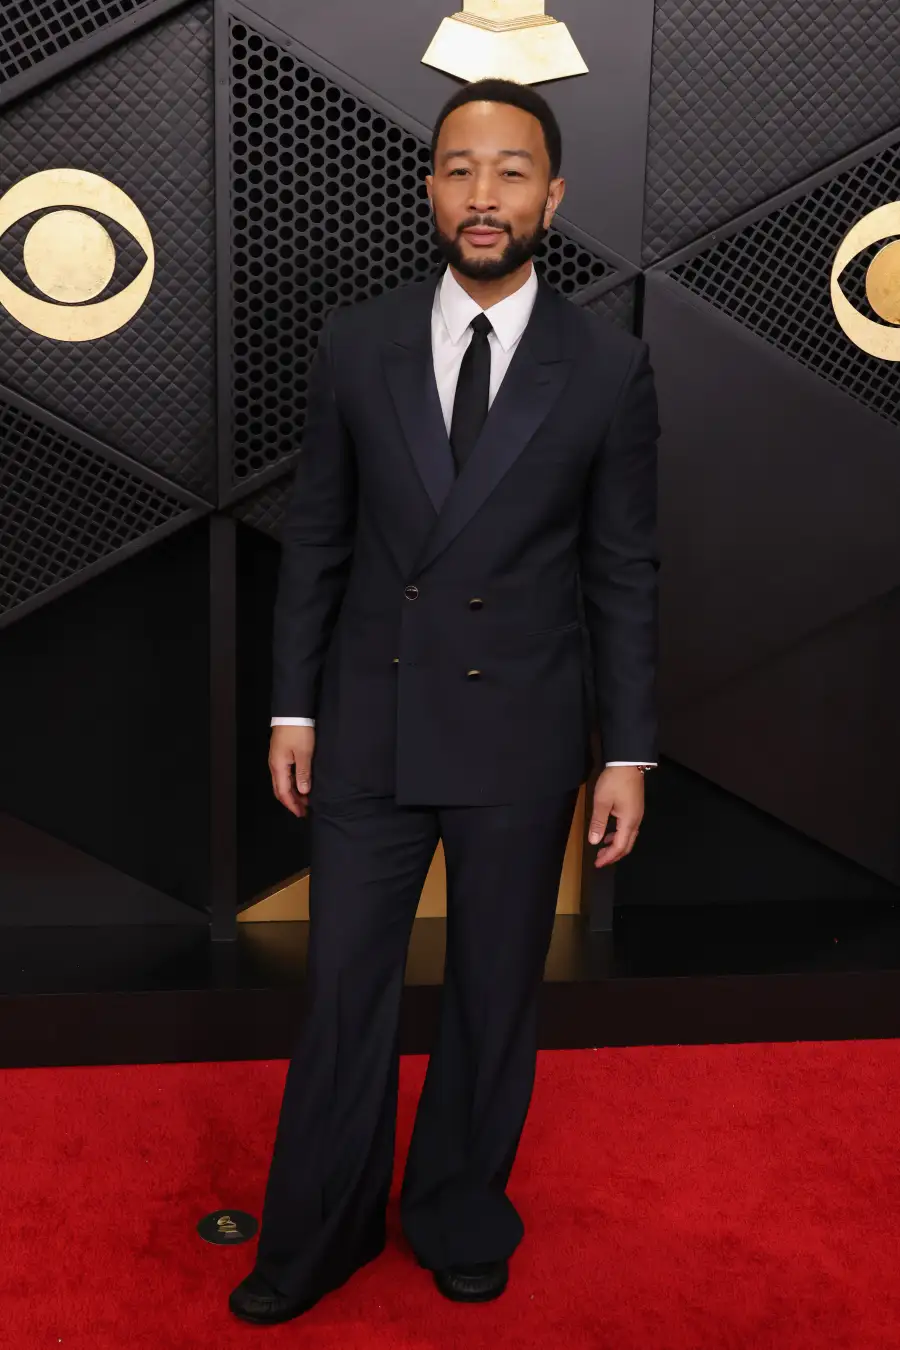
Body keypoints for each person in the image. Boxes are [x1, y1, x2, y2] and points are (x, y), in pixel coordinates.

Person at [229, 76, 660, 1325]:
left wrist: (629, 752)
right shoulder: (356, 340)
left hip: (523, 730)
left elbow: (623, 569)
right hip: (366, 720)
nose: (485, 195)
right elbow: (317, 537)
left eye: (511, 172)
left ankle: (460, 1211)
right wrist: (292, 711)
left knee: (491, 990)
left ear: (552, 197)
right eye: (461, 169)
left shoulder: (609, 365)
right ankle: (317, 1234)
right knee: (344, 988)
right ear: (429, 188)